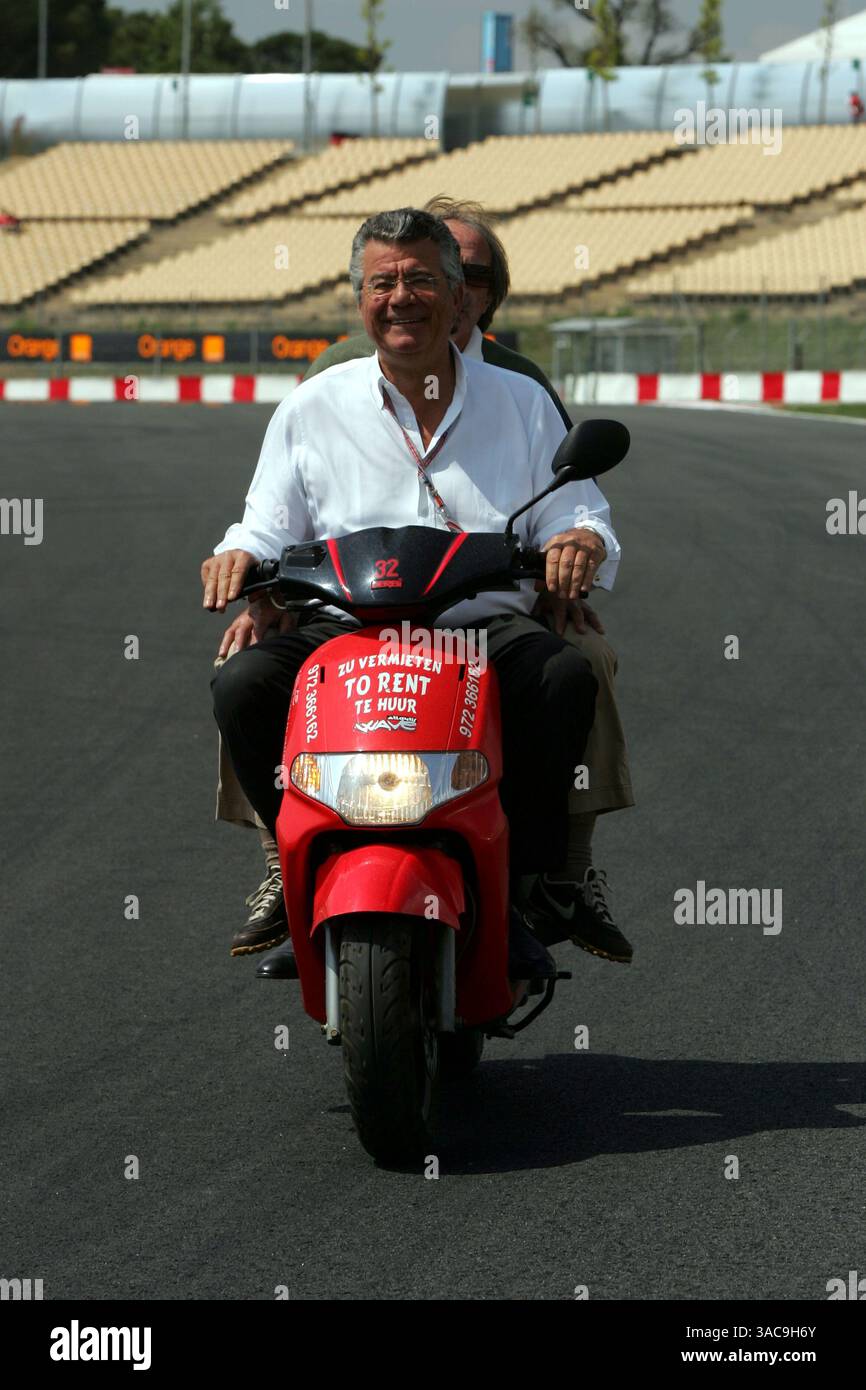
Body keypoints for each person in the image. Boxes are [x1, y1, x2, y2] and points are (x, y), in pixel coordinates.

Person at [216, 197, 635, 978]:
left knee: (565, 673)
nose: (399, 298)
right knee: (241, 682)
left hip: (479, 629)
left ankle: (526, 887)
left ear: (458, 296)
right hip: (345, 630)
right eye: (381, 284)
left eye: (419, 280)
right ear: (360, 301)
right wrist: (238, 560)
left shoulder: (522, 400)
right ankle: (293, 861)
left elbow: (579, 511)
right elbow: (263, 522)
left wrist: (579, 543)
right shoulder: (313, 405)